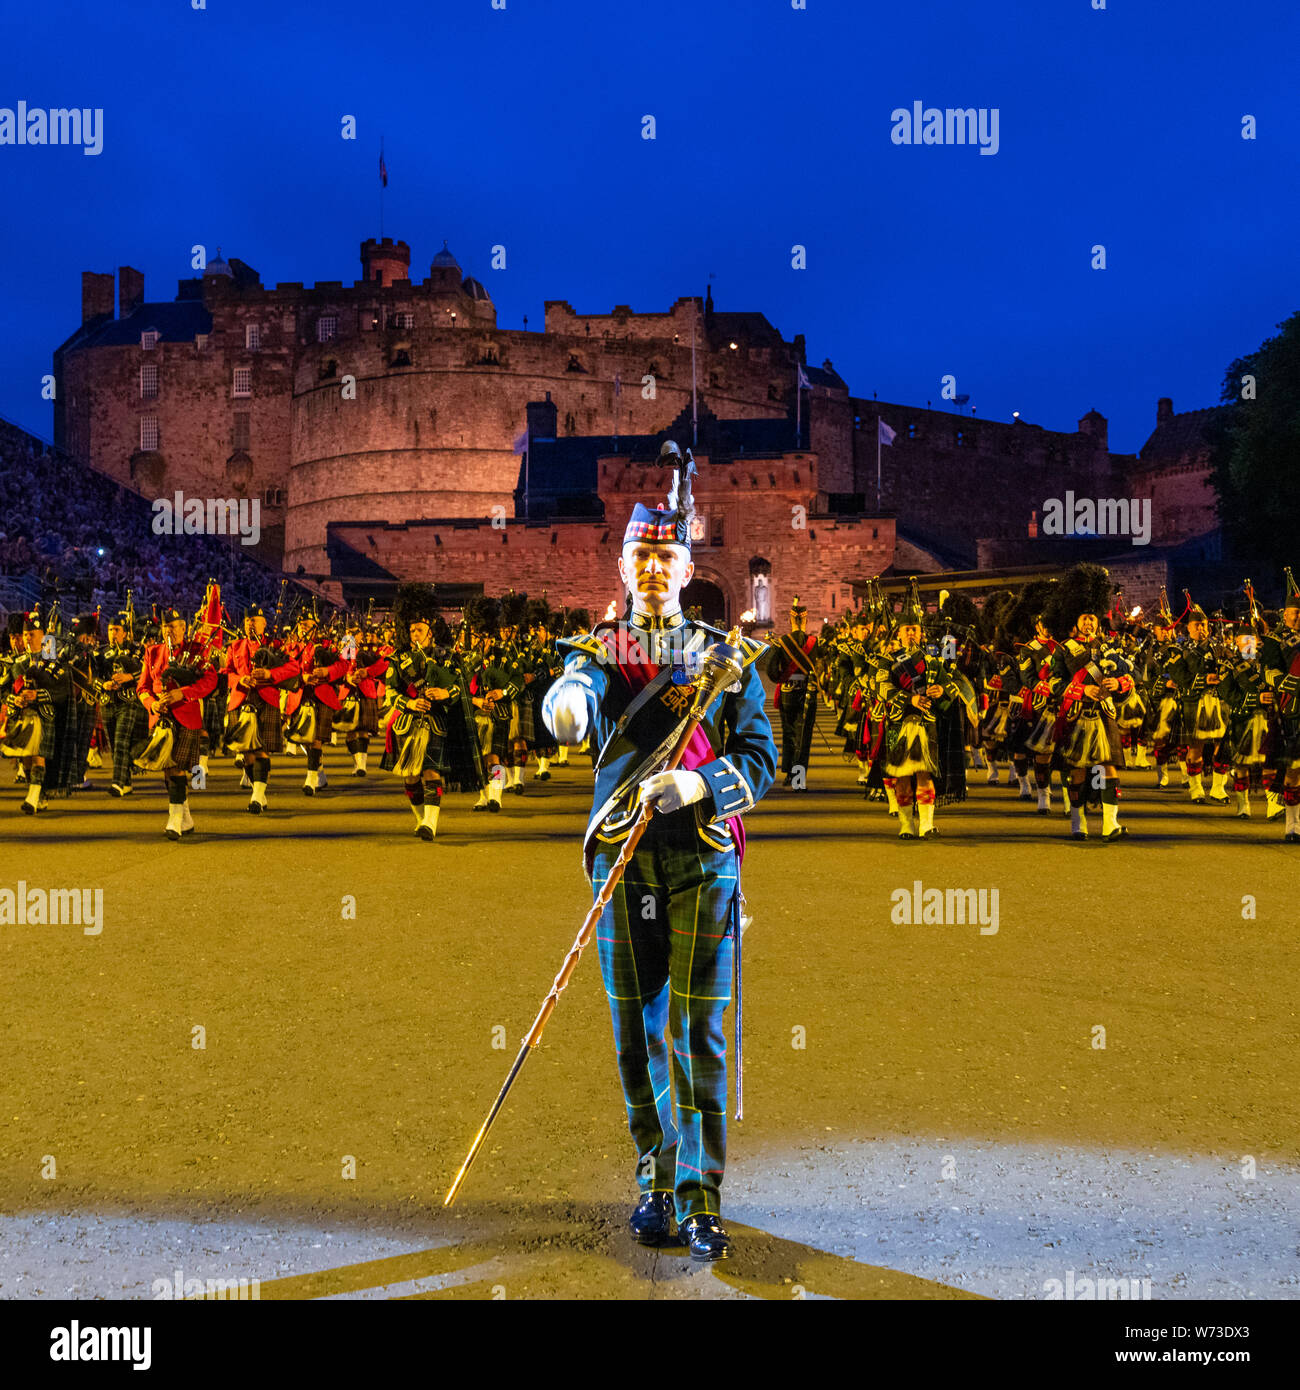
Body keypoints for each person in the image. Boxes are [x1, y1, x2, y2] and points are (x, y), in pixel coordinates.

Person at [541, 440, 775, 1262]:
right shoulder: (599, 650)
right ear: (622, 566)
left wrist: (700, 787)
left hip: (701, 857)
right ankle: (655, 1176)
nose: (651, 569)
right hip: (624, 859)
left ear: (685, 568)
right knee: (634, 1033)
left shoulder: (727, 658)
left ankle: (701, 1193)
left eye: (666, 556)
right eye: (640, 554)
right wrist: (565, 705)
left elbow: (761, 759)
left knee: (699, 1031)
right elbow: (576, 694)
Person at [765, 596, 820, 787]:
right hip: (807, 693)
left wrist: (783, 677)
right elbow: (823, 667)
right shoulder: (815, 642)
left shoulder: (782, 642)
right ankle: (798, 779)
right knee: (803, 736)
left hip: (788, 692)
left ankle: (789, 773)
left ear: (790, 621)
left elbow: (771, 670)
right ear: (805, 620)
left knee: (788, 733)